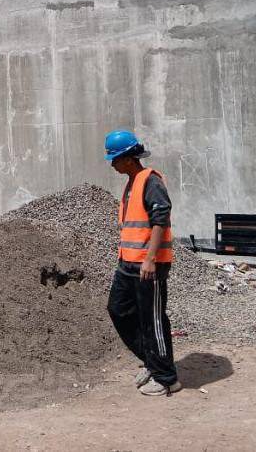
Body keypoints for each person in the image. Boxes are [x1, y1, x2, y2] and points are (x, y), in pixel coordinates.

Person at [104, 129, 182, 396]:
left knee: (153, 320)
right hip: (128, 264)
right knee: (118, 309)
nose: (112, 164)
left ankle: (166, 378)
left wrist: (150, 259)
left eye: (114, 159)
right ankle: (152, 360)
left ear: (127, 157)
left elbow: (161, 220)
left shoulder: (150, 181)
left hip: (149, 265)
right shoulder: (131, 182)